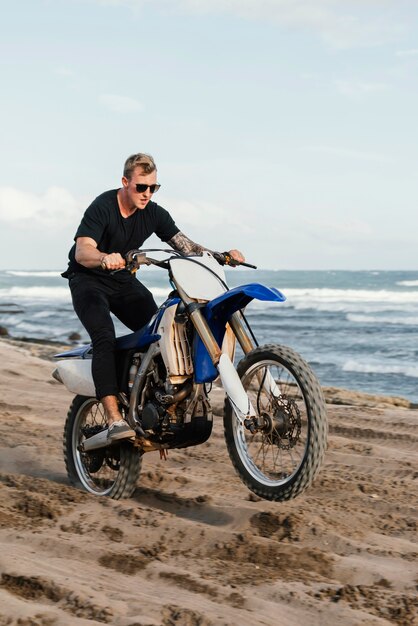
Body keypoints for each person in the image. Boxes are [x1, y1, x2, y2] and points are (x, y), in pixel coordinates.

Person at [63, 153, 244, 442]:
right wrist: (104, 257)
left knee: (159, 331)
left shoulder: (154, 213)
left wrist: (221, 256)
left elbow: (187, 246)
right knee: (104, 337)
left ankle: (153, 401)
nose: (147, 194)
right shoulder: (103, 207)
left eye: (153, 188)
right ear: (125, 182)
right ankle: (113, 419)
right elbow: (82, 251)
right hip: (88, 281)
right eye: (141, 187)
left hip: (122, 280)